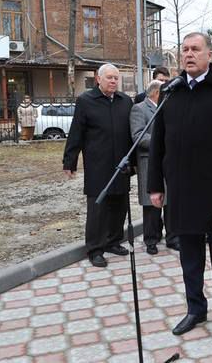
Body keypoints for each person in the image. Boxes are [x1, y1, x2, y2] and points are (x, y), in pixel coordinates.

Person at [147, 32, 212, 340]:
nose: (189, 54)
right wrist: (156, 185)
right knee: (189, 254)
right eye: (185, 49)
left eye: (195, 49)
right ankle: (195, 309)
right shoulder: (171, 90)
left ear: (209, 54)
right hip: (182, 189)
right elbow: (158, 145)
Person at [63, 64, 133, 268]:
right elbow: (76, 132)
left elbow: (131, 134)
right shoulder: (86, 101)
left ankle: (113, 241)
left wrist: (134, 163)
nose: (113, 81)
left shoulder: (124, 101)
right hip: (97, 164)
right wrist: (70, 161)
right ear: (98, 79)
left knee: (119, 205)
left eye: (116, 78)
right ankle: (95, 249)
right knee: (98, 209)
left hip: (121, 164)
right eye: (109, 78)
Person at [130, 80, 179, 255]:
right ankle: (151, 239)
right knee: (151, 204)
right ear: (157, 92)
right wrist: (162, 142)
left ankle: (173, 238)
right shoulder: (139, 109)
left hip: (168, 161)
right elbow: (137, 136)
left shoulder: (167, 108)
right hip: (148, 161)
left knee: (170, 201)